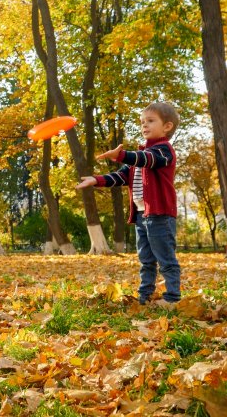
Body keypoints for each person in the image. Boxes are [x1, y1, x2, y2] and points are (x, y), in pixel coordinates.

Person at [76, 102, 181, 304]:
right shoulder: (138, 156)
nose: (144, 125)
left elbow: (148, 160)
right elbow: (121, 176)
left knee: (166, 259)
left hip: (160, 215)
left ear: (167, 126)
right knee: (146, 260)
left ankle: (173, 298)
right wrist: (96, 180)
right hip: (143, 216)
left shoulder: (163, 151)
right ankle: (145, 296)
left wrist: (123, 155)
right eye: (142, 122)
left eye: (150, 121)